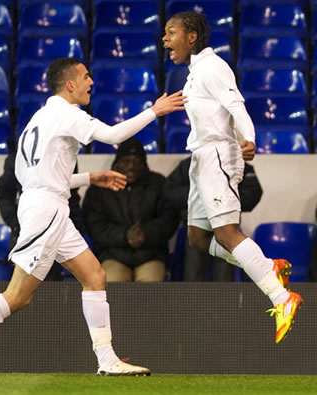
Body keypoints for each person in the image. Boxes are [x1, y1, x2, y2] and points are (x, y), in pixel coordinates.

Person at [0, 57, 186, 376]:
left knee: (95, 276)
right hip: (46, 211)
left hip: (48, 206)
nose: (91, 82)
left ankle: (107, 360)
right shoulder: (66, 113)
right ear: (70, 84)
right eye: (86, 76)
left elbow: (36, 177)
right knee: (18, 296)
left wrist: (89, 178)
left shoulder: (39, 119)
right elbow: (115, 135)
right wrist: (153, 111)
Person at [162, 11, 303, 344]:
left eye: (171, 33)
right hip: (200, 161)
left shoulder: (213, 67)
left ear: (192, 35)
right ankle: (270, 266)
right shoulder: (194, 72)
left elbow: (236, 105)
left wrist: (250, 139)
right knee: (197, 238)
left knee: (226, 233)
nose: (165, 40)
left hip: (217, 159)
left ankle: (282, 298)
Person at [83, 138, 179, 282]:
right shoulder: (100, 188)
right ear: (117, 162)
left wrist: (145, 234)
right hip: (113, 255)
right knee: (114, 286)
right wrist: (125, 236)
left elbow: (169, 219)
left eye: (137, 161)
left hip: (150, 255)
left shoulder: (158, 183)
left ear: (144, 163)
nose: (131, 166)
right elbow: (95, 226)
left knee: (150, 288)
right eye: (126, 161)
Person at [164, 156, 263, 281]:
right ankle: (194, 300)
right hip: (197, 227)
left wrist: (224, 201)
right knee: (194, 276)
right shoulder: (189, 164)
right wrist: (199, 197)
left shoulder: (237, 164)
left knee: (224, 279)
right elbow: (169, 192)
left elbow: (253, 193)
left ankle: (223, 301)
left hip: (226, 227)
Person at [0, 151, 86, 281]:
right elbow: (4, 194)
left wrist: (77, 228)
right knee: (21, 294)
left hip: (58, 231)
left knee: (55, 286)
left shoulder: (67, 153)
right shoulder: (20, 154)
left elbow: (70, 195)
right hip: (29, 233)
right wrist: (17, 224)